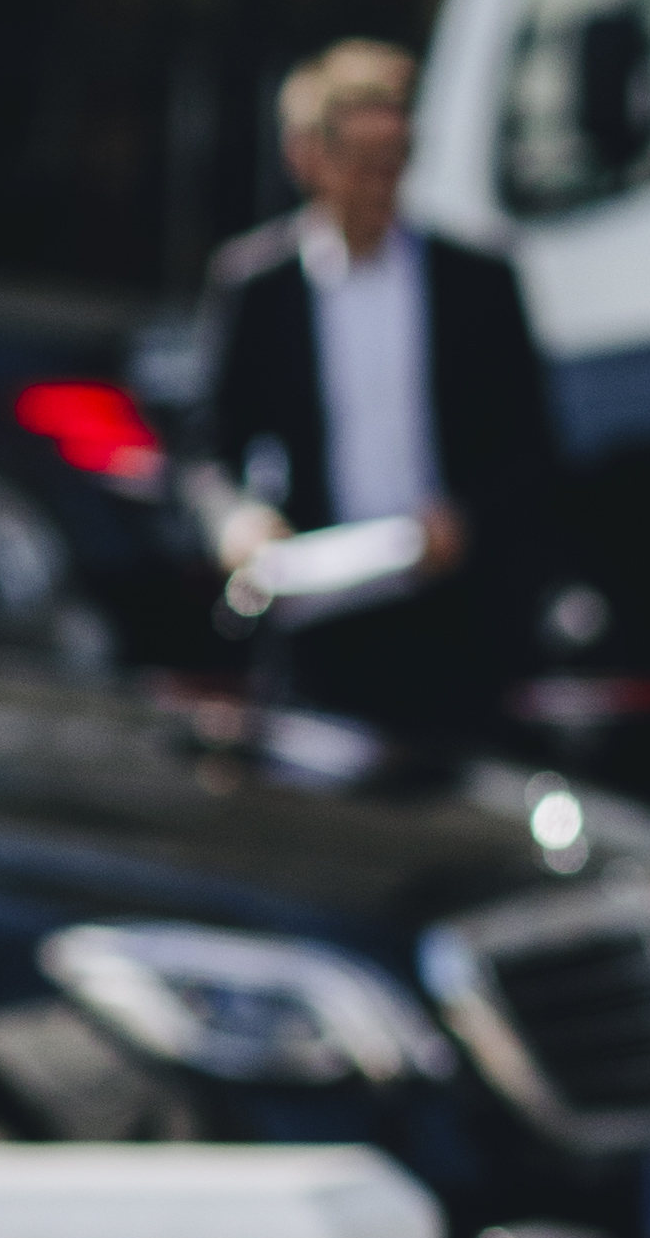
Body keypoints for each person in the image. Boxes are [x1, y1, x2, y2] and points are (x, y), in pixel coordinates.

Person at [191, 39, 561, 750]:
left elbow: (531, 449)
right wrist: (237, 523)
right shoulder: (257, 287)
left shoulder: (475, 283)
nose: (377, 186)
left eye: (394, 163)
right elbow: (208, 452)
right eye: (360, 163)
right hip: (317, 618)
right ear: (309, 159)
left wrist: (467, 523)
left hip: (450, 614)